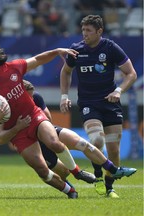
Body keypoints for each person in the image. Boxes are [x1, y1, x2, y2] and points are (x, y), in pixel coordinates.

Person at [0, 37, 97, 199]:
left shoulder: (13, 68)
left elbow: (38, 60)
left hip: (34, 116)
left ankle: (77, 172)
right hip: (18, 134)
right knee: (42, 170)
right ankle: (70, 192)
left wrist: (57, 51)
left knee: (54, 143)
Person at [0, 79, 137, 192]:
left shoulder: (36, 98)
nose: (31, 99)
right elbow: (0, 138)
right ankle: (71, 188)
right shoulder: (6, 108)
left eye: (32, 96)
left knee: (83, 144)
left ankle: (113, 170)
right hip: (33, 143)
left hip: (46, 131)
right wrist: (18, 127)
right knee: (63, 172)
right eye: (29, 97)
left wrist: (34, 112)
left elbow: (48, 119)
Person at [59, 15, 138, 198]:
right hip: (88, 103)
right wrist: (64, 96)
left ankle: (109, 188)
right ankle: (98, 176)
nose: (84, 34)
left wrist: (118, 90)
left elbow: (131, 74)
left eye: (89, 30)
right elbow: (66, 71)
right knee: (96, 141)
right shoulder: (76, 50)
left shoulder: (110, 48)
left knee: (113, 150)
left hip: (110, 103)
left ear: (99, 31)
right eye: (83, 30)